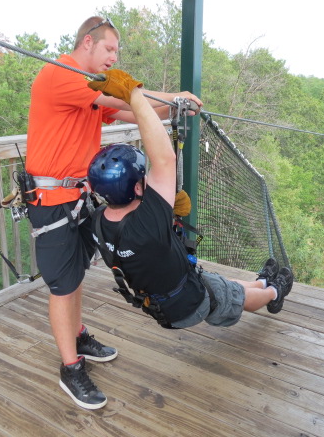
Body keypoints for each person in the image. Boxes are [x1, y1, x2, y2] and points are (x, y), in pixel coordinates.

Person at [24, 16, 202, 410]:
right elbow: (123, 99)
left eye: (116, 52)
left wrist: (173, 109)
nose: (113, 58)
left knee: (75, 276)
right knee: (62, 286)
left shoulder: (87, 92)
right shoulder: (61, 74)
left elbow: (134, 111)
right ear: (88, 42)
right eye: (109, 49)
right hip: (53, 202)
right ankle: (71, 367)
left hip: (78, 198)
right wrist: (175, 96)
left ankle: (77, 335)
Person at [86, 69, 294, 337]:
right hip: (186, 303)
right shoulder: (147, 224)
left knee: (222, 283)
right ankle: (274, 292)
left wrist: (169, 214)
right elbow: (164, 159)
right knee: (236, 297)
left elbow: (148, 246)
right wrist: (134, 95)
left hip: (163, 297)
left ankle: (263, 281)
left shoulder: (99, 221)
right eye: (143, 178)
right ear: (137, 188)